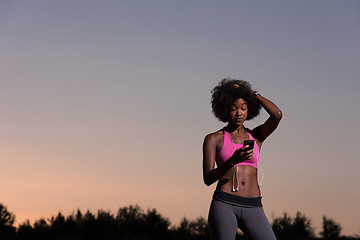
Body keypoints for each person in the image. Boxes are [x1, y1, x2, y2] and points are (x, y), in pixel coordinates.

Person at [203, 78, 282, 240]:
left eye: (243, 108)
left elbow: (277, 114)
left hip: (254, 205)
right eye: (233, 108)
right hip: (224, 203)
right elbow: (207, 178)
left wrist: (254, 95)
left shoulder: (256, 136)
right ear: (225, 110)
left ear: (249, 110)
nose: (239, 113)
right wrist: (232, 161)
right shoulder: (214, 138)